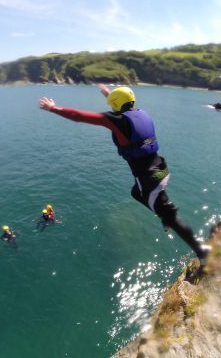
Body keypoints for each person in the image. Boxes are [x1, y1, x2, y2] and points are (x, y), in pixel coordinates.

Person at [39, 85, 209, 273]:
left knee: (171, 216)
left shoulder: (116, 120)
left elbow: (79, 116)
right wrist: (108, 93)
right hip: (160, 168)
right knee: (136, 193)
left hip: (148, 178)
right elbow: (120, 103)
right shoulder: (139, 113)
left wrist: (53, 108)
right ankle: (165, 216)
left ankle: (202, 252)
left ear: (115, 104)